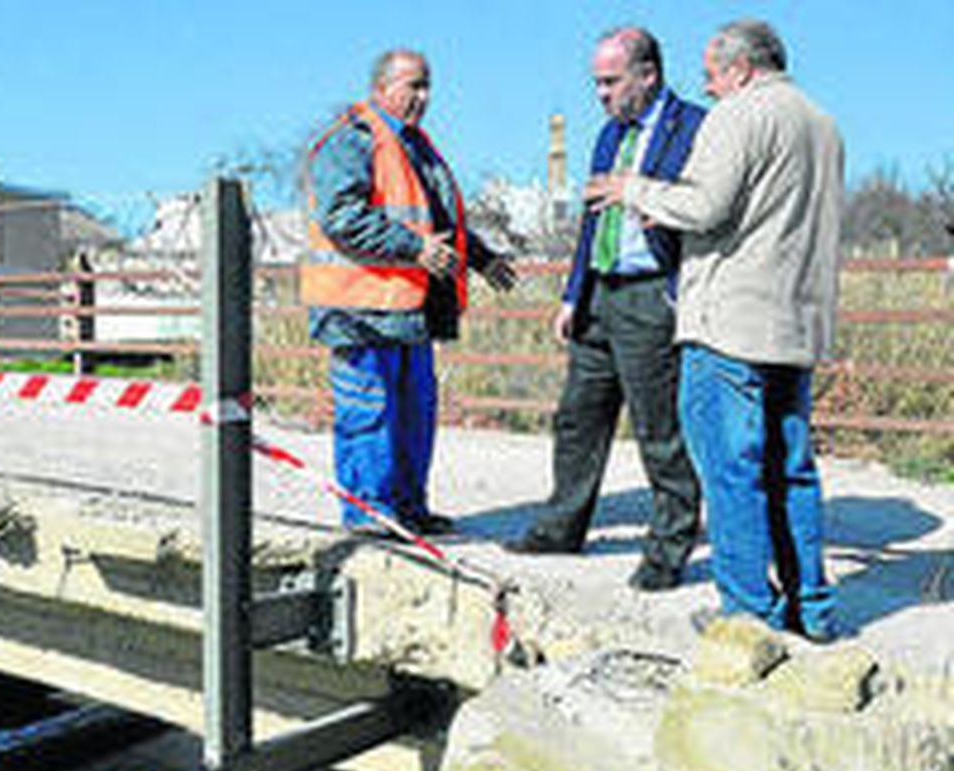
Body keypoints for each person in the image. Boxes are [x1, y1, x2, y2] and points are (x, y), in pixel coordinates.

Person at [585, 19, 844, 639]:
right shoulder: (823, 124)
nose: (706, 89)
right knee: (793, 469)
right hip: (796, 322)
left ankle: (747, 615)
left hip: (729, 322)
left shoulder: (737, 116)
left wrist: (634, 190)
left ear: (742, 70)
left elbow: (705, 206)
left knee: (731, 470)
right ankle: (813, 608)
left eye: (711, 77)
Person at [506, 27, 705, 592]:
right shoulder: (606, 135)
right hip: (600, 292)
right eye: (596, 82)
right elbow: (592, 219)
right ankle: (560, 528)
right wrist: (573, 294)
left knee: (658, 428)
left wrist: (656, 208)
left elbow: (706, 206)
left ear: (648, 74)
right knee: (577, 417)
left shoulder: (693, 128)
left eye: (611, 81)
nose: (601, 93)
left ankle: (667, 551)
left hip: (651, 291)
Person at [302, 49, 515, 538]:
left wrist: (479, 257)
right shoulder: (351, 142)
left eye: (427, 86)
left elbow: (436, 219)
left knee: (414, 416)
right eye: (412, 86)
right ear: (381, 88)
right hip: (361, 309)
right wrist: (413, 248)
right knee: (368, 413)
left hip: (407, 308)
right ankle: (369, 514)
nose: (422, 97)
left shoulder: (415, 146)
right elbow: (343, 218)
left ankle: (408, 509)